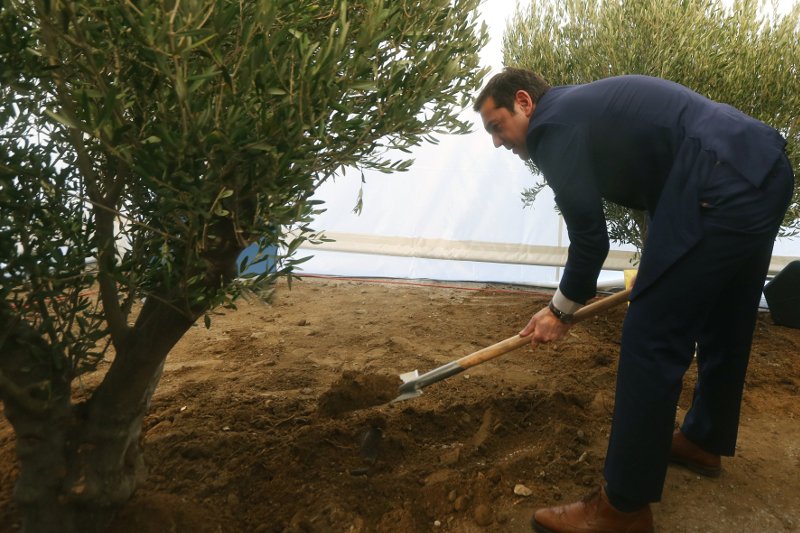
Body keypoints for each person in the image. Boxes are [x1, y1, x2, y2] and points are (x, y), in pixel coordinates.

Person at [474, 67, 794, 533]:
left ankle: (621, 507)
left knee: (650, 336)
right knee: (726, 317)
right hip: (762, 167)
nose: (497, 142)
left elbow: (590, 240)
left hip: (717, 181)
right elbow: (662, 179)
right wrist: (662, 255)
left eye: (497, 126)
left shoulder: (550, 126)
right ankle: (704, 440)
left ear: (524, 102)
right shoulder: (582, 108)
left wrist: (559, 311)